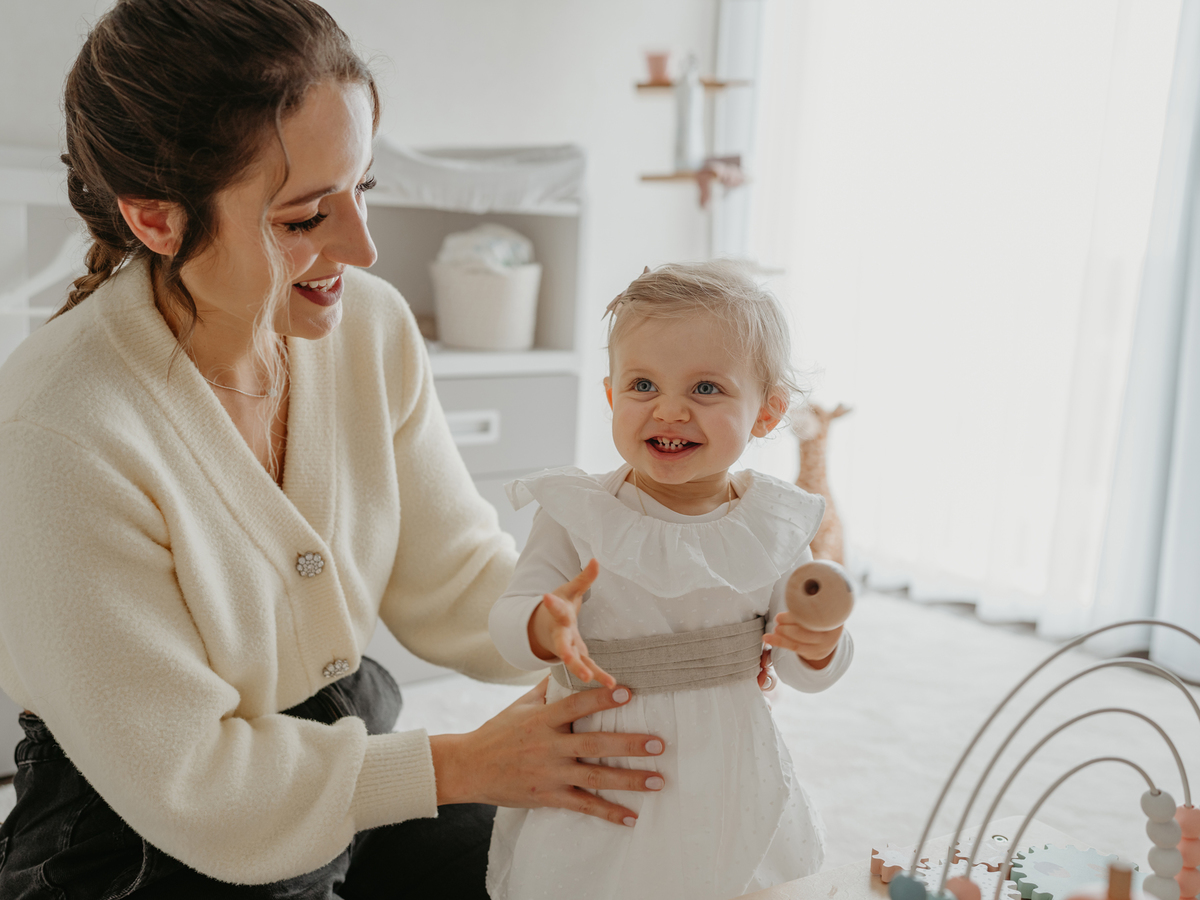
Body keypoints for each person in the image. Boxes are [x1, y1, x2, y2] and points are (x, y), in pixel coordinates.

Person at [0, 1, 669, 896]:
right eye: (306, 217)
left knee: (552, 866)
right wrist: (462, 763)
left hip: (328, 752)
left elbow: (455, 573)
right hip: (138, 829)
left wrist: (589, 624)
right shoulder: (60, 434)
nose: (363, 246)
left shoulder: (371, 331)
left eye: (365, 189)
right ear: (157, 221)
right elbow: (194, 777)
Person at [486, 260, 856, 900]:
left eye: (707, 389)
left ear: (766, 413)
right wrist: (544, 625)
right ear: (610, 396)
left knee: (726, 873)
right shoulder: (579, 513)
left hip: (727, 760)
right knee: (590, 877)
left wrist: (821, 645)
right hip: (604, 757)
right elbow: (510, 619)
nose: (671, 409)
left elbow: (799, 664)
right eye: (643, 385)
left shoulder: (770, 524)